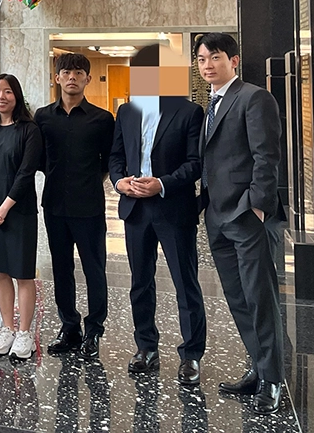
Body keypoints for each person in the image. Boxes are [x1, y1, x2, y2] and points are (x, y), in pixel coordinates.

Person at [196, 33, 284, 415]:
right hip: (217, 217)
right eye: (201, 59)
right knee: (238, 299)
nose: (207, 65)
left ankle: (274, 381)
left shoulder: (253, 97)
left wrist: (257, 209)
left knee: (260, 298)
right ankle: (257, 368)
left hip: (246, 216)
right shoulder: (210, 105)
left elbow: (267, 157)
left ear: (233, 60)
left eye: (214, 57)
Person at [108, 45, 206, 387]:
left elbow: (196, 163)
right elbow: (115, 157)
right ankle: (146, 348)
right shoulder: (127, 112)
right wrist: (120, 181)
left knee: (185, 283)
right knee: (139, 282)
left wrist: (161, 184)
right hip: (135, 209)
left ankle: (191, 354)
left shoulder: (190, 112)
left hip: (172, 208)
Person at [34, 53, 115, 359]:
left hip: (89, 206)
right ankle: (69, 327)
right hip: (54, 204)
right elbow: (38, 158)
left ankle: (94, 330)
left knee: (95, 268)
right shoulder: (43, 117)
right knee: (61, 268)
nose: (71, 77)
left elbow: (108, 162)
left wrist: (90, 181)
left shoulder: (102, 119)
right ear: (56, 78)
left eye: (78, 73)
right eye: (66, 72)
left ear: (87, 79)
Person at [0, 74, 44, 361]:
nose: (0, 96)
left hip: (19, 211)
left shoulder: (29, 130)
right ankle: (6, 328)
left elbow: (26, 173)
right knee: (0, 271)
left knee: (22, 272)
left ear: (16, 96)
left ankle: (25, 333)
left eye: (7, 91)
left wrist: (4, 208)